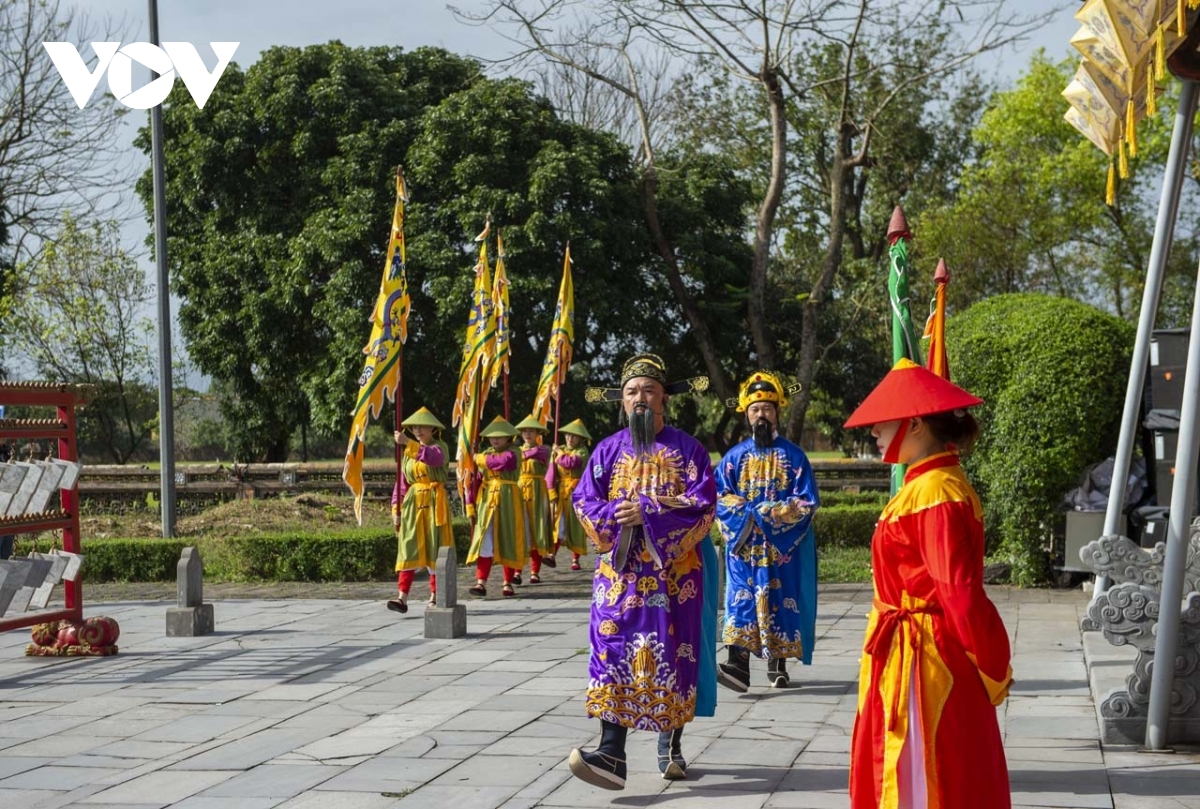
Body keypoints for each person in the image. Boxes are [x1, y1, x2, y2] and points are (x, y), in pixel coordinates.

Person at [843, 358, 1013, 809]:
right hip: (905, 649)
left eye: (883, 423)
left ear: (914, 423)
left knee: (924, 774)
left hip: (926, 661)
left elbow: (959, 592)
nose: (874, 432)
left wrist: (992, 663)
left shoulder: (936, 490)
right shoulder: (926, 483)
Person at [568, 353, 717, 790]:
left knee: (673, 653)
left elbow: (703, 505)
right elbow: (583, 500)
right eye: (631, 391)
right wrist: (618, 514)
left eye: (648, 390)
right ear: (623, 401)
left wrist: (649, 512)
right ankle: (611, 752)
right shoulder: (606, 450)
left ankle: (670, 745)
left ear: (664, 399)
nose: (639, 398)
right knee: (611, 652)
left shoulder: (688, 450)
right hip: (619, 580)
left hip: (674, 579)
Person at [715, 371, 819, 691]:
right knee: (741, 601)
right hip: (744, 546)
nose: (762, 415)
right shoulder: (734, 458)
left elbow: (806, 502)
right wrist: (747, 513)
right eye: (755, 409)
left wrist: (769, 513)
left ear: (777, 413)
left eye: (768, 409)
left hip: (780, 548)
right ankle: (738, 666)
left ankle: (779, 663)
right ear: (747, 415)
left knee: (780, 601)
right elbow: (718, 496)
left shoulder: (794, 456)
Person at [386, 408, 453, 614]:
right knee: (408, 546)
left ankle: (435, 595)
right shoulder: (408, 454)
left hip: (434, 501)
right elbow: (402, 482)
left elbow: (433, 459)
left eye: (422, 426)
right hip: (413, 503)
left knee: (434, 546)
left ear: (432, 428)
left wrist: (408, 443)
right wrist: (396, 505)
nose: (417, 430)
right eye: (414, 427)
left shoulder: (440, 447)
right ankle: (402, 597)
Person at [465, 416, 528, 598]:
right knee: (485, 540)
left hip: (508, 498)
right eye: (492, 436)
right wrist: (470, 504)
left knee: (507, 539)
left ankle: (507, 582)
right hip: (488, 501)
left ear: (509, 437)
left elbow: (502, 462)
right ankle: (480, 582)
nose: (495, 439)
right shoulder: (485, 453)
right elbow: (475, 481)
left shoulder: (515, 452)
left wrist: (479, 459)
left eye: (500, 436)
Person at [515, 415, 555, 583]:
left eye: (531, 431)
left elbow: (534, 454)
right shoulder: (515, 450)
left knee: (536, 529)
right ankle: (516, 571)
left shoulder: (544, 449)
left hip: (538, 491)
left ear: (537, 433)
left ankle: (534, 571)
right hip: (520, 489)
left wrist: (518, 455)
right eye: (524, 431)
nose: (527, 434)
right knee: (520, 529)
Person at [550, 419, 592, 571]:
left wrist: (559, 453)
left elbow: (570, 463)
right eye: (568, 435)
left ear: (580, 438)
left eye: (574, 436)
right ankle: (552, 555)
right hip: (561, 492)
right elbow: (551, 472)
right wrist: (551, 491)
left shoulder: (582, 452)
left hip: (577, 492)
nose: (570, 438)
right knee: (558, 524)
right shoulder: (559, 449)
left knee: (576, 525)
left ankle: (575, 558)